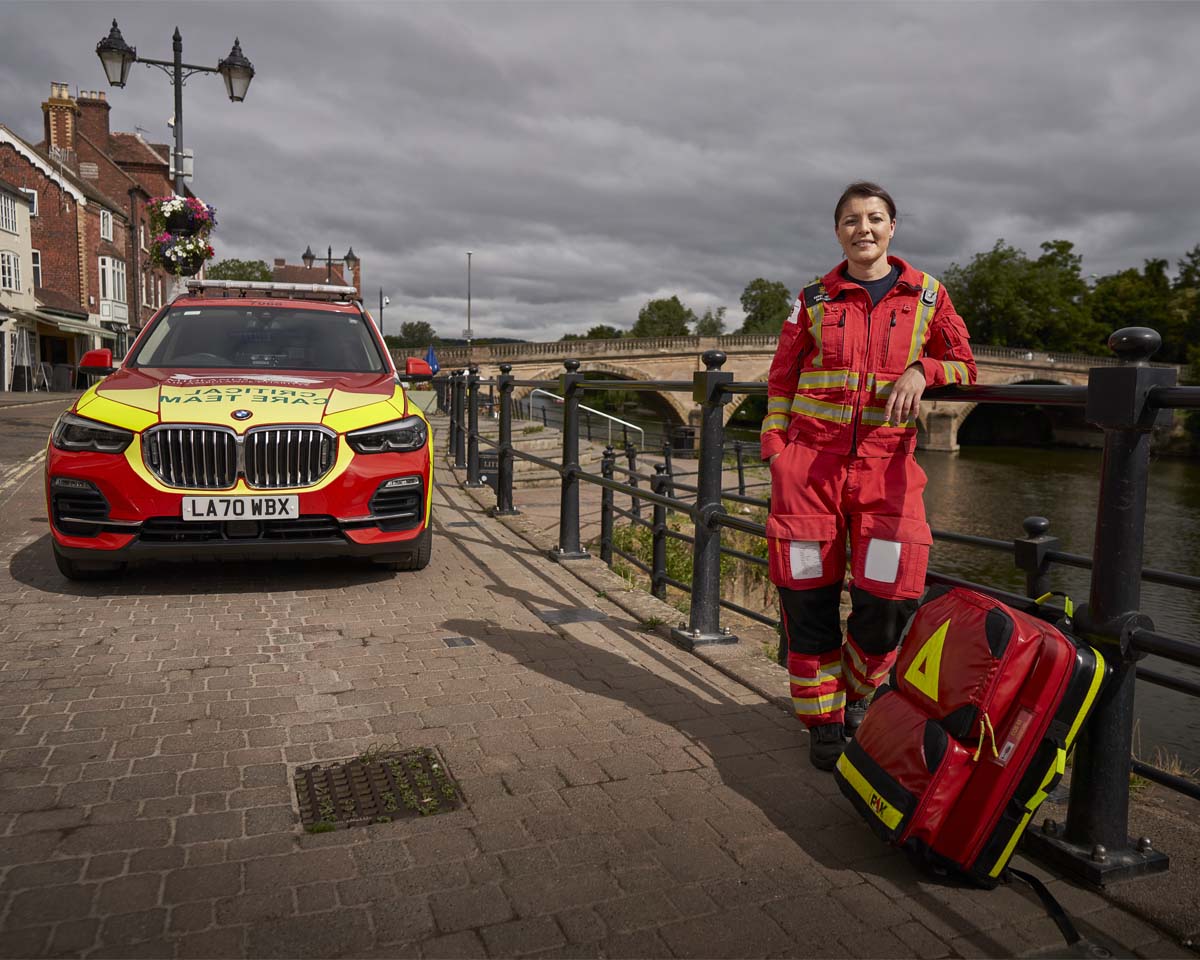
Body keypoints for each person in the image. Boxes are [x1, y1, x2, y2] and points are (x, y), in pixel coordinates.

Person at [760, 181, 976, 771]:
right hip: (809, 470)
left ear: (893, 227)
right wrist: (777, 449)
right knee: (808, 599)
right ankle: (824, 721)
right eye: (851, 220)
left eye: (875, 218)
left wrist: (923, 370)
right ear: (838, 232)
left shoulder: (929, 297)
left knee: (890, 597)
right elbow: (780, 381)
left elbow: (965, 363)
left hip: (887, 473)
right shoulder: (812, 300)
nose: (864, 228)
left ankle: (855, 692)